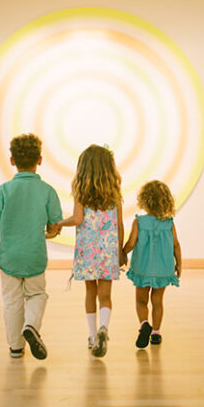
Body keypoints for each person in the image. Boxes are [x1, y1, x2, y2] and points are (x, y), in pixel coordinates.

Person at [0, 134, 62, 360]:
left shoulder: (4, 191)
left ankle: (16, 347)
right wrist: (51, 232)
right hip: (34, 256)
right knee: (37, 294)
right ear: (40, 160)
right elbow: (54, 226)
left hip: (9, 257)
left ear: (11, 160)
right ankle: (31, 326)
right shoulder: (47, 191)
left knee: (11, 301)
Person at [57, 144, 123, 358]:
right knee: (106, 295)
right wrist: (121, 251)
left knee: (90, 293)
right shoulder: (114, 192)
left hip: (88, 250)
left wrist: (58, 224)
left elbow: (77, 219)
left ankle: (93, 335)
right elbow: (120, 225)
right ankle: (105, 327)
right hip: (108, 249)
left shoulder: (81, 191)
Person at [121, 180, 182, 348]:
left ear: (145, 201)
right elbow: (176, 245)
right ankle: (156, 333)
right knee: (158, 301)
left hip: (143, 268)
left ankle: (144, 324)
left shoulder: (139, 222)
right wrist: (179, 264)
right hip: (163, 268)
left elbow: (131, 243)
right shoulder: (169, 222)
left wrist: (123, 253)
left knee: (141, 301)